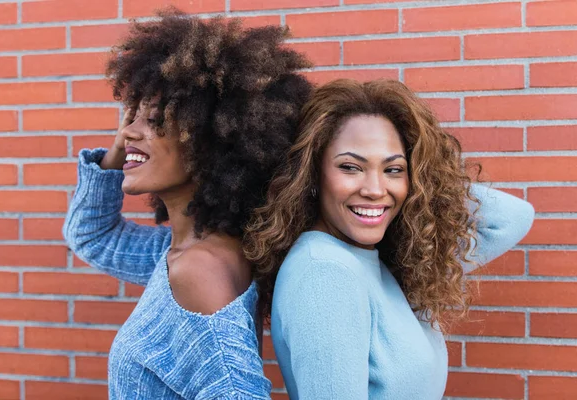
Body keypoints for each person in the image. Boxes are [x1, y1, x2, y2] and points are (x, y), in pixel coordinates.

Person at [62, 9, 311, 399]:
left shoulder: (198, 270)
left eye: (156, 120)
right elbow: (92, 236)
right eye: (132, 116)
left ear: (213, 141)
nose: (129, 130)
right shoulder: (186, 249)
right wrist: (122, 145)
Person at [244, 79, 535, 399]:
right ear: (312, 173)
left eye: (393, 169)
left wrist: (432, 188)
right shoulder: (325, 273)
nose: (374, 189)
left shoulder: (376, 258)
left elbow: (511, 219)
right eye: (351, 167)